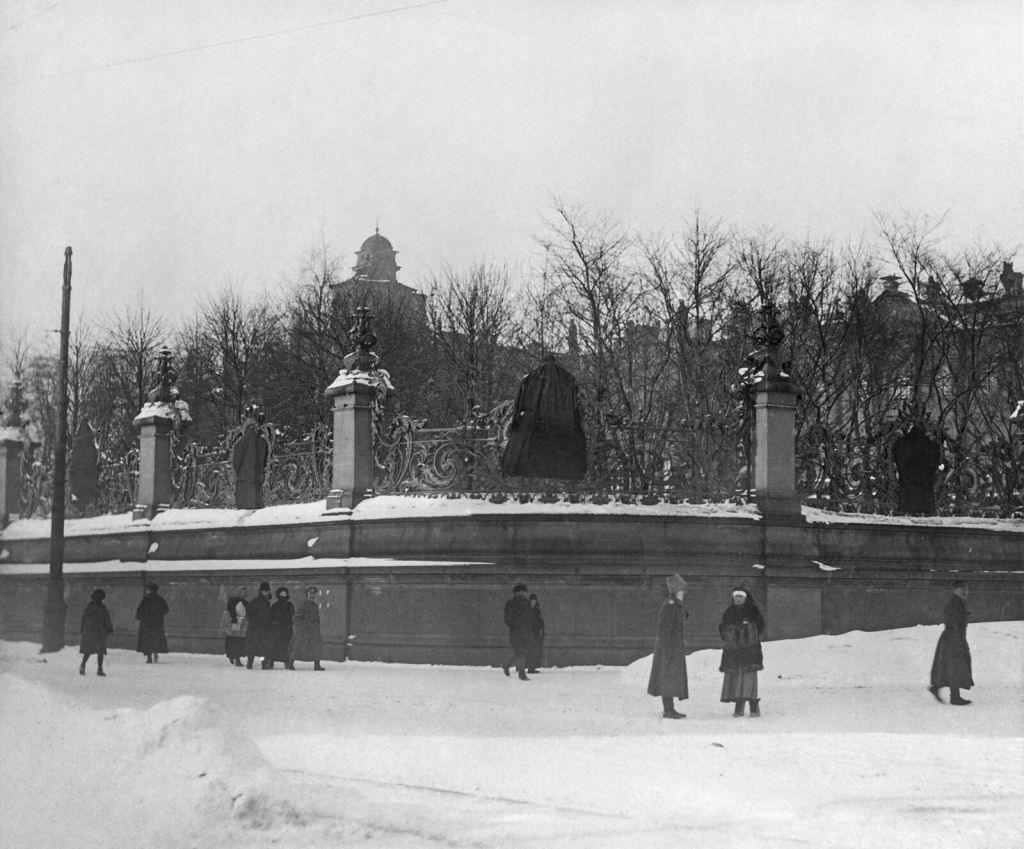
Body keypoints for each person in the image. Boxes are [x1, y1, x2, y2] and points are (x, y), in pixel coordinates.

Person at [719, 586, 766, 717]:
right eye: (736, 596)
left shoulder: (753, 611)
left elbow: (760, 626)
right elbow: (722, 628)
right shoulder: (729, 612)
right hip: (734, 652)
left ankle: (753, 706)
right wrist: (730, 633)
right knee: (735, 678)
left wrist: (748, 630)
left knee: (749, 678)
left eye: (740, 596)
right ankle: (739, 706)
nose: (738, 599)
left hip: (749, 651)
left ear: (745, 598)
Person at [647, 574, 689, 718]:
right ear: (676, 591)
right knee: (667, 679)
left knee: (669, 678)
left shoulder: (675, 605)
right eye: (682, 591)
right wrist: (667, 651)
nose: (684, 594)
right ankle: (668, 710)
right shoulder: (671, 606)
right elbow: (664, 631)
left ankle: (670, 709)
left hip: (672, 647)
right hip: (669, 647)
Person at [929, 580, 974, 705]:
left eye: (966, 589)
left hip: (953, 638)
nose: (965, 592)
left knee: (949, 666)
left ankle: (937, 688)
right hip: (953, 638)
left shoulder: (958, 603)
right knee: (956, 667)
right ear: (955, 591)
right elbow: (953, 624)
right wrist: (957, 641)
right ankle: (954, 697)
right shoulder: (954, 604)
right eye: (962, 589)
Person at [287, 586, 325, 671]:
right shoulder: (303, 605)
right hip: (304, 631)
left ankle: (317, 665)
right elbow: (296, 618)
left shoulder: (315, 605)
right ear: (307, 594)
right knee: (297, 647)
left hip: (314, 630)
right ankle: (290, 663)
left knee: (316, 646)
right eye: (310, 593)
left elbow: (316, 617)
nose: (312, 595)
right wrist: (303, 626)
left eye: (313, 593)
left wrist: (317, 624)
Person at [79, 588, 114, 676]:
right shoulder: (102, 607)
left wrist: (82, 629)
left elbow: (83, 618)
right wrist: (109, 629)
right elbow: (106, 619)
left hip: (90, 632)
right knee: (100, 652)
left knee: (88, 651)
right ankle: (99, 669)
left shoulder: (90, 606)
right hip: (99, 632)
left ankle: (83, 665)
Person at [501, 583, 533, 681]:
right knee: (520, 652)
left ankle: (507, 664)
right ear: (516, 593)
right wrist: (515, 624)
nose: (523, 594)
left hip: (526, 632)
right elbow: (507, 618)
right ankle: (522, 673)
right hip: (516, 632)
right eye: (521, 592)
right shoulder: (510, 603)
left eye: (524, 592)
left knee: (521, 652)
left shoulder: (527, 603)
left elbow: (530, 617)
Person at [135, 581, 169, 663]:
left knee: (147, 640)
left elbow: (139, 610)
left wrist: (142, 617)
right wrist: (159, 615)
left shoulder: (146, 599)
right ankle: (156, 654)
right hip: (157, 623)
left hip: (147, 623)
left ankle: (149, 657)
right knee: (156, 639)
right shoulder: (160, 599)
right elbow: (166, 609)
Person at [246, 581, 274, 669]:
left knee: (264, 647)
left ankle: (264, 663)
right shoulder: (255, 601)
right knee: (254, 646)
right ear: (261, 591)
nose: (266, 593)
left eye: (267, 591)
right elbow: (249, 615)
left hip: (265, 628)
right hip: (256, 628)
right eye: (264, 591)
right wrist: (257, 623)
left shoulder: (268, 601)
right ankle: (250, 662)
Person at [267, 586, 295, 670]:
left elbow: (292, 614)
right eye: (282, 593)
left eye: (285, 593)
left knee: (286, 646)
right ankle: (271, 662)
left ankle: (287, 662)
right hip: (277, 628)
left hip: (287, 628)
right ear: (278, 594)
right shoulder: (275, 605)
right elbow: (271, 615)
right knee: (275, 645)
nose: (283, 595)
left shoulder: (289, 604)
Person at [223, 586, 248, 666]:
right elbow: (231, 610)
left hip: (241, 624)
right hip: (234, 623)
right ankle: (235, 657)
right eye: (241, 592)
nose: (243, 594)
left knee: (238, 641)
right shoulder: (233, 600)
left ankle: (236, 658)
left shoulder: (245, 602)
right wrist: (234, 617)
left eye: (244, 592)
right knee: (235, 640)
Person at [526, 593, 545, 674]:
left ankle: (532, 667)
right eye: (532, 601)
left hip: (536, 633)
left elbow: (538, 620)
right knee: (531, 651)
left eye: (534, 600)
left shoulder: (536, 610)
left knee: (535, 651)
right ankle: (529, 668)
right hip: (530, 633)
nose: (533, 602)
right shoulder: (527, 610)